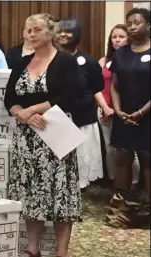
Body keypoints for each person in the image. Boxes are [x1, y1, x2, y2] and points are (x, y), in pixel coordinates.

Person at [4, 13, 83, 257]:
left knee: (60, 191)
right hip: (26, 138)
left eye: (36, 29)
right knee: (30, 191)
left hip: (56, 132)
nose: (30, 34)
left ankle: (62, 253)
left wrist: (35, 110)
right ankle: (33, 247)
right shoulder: (21, 62)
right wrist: (21, 113)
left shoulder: (66, 62)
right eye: (27, 30)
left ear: (50, 32)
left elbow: (70, 95)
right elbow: (10, 98)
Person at [106, 8, 151, 228]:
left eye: (137, 23)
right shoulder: (121, 52)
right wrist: (118, 109)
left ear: (148, 26)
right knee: (122, 161)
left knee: (148, 163)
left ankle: (146, 212)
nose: (132, 26)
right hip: (123, 116)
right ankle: (119, 210)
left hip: (148, 116)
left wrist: (142, 112)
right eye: (129, 23)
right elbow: (114, 85)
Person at [57, 18, 104, 189]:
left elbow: (97, 86)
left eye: (68, 31)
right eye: (60, 30)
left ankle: (80, 186)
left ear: (76, 34)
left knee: (82, 155)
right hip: (57, 116)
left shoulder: (87, 60)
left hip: (82, 116)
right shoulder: (51, 57)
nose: (63, 34)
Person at [98, 25, 140, 188]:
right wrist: (103, 106)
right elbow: (97, 86)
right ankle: (115, 182)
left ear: (128, 38)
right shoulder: (104, 61)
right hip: (105, 109)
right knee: (111, 149)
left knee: (130, 149)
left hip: (127, 110)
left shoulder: (133, 59)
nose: (117, 40)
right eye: (114, 37)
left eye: (121, 36)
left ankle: (134, 183)